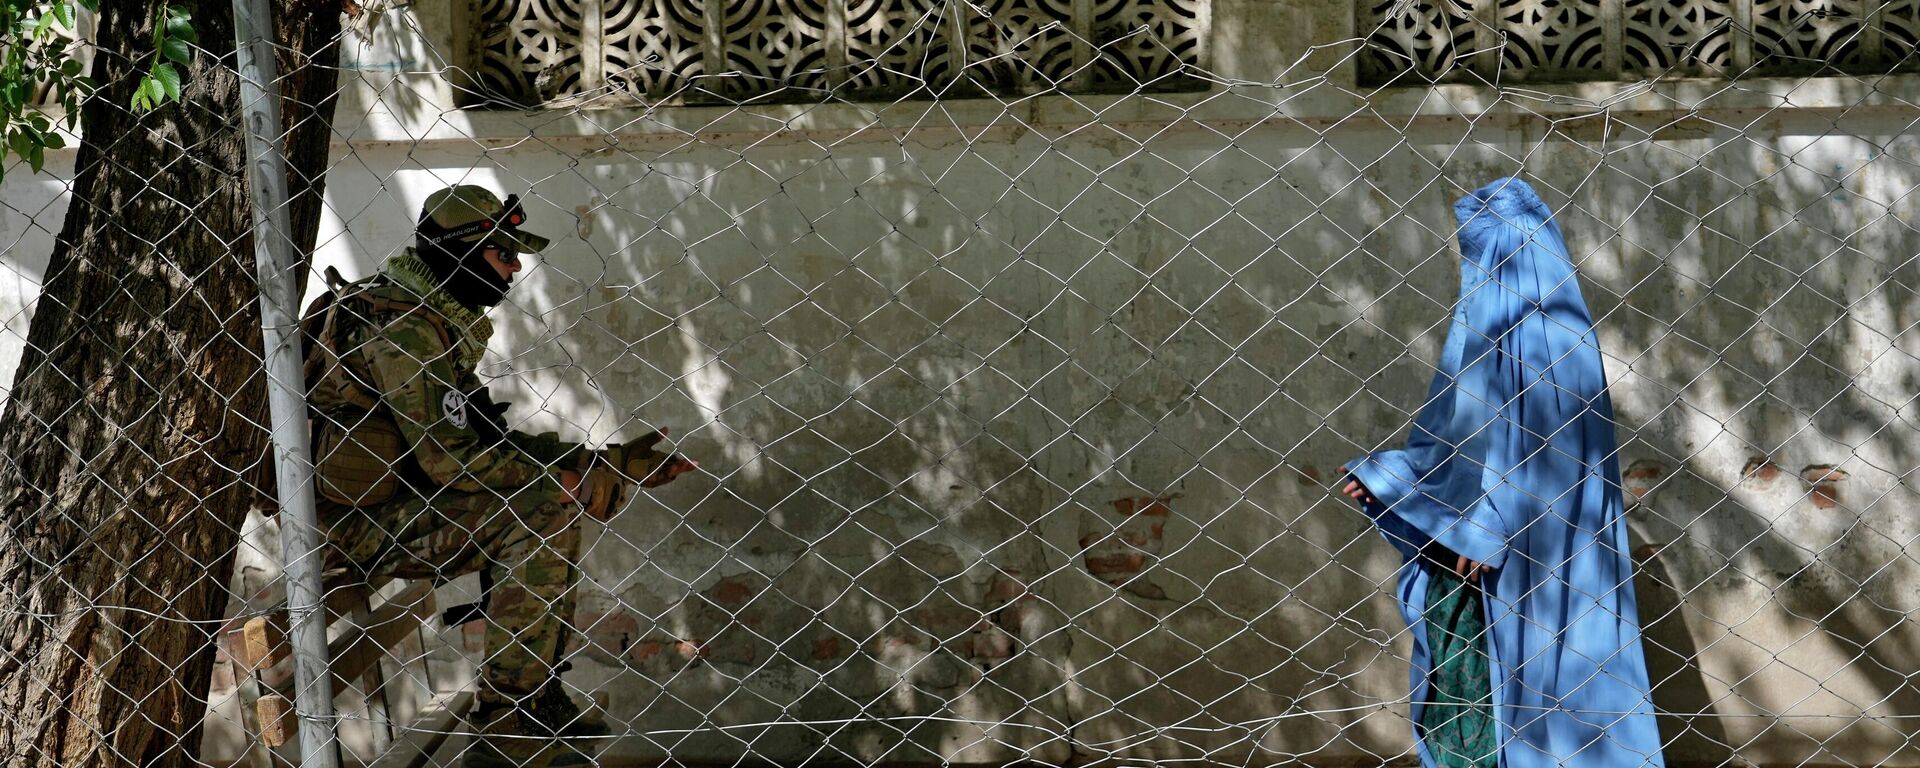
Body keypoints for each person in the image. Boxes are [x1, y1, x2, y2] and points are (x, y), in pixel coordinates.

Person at [301, 184, 698, 767]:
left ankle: (531, 696)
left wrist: (596, 462)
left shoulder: (430, 318)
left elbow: (480, 444)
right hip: (352, 530)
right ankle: (511, 711)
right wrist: (578, 475)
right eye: (502, 253)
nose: (514, 269)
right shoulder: (404, 329)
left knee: (547, 499)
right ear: (458, 252)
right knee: (543, 507)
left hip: (390, 513)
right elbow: (452, 461)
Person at [1340, 178, 1665, 768]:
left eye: (1487, 248)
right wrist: (1392, 483)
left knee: (1525, 704)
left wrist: (1485, 525)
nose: (1478, 264)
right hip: (1479, 555)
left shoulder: (1551, 340)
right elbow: (1453, 444)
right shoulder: (1492, 336)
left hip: (1510, 554)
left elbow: (1536, 455)